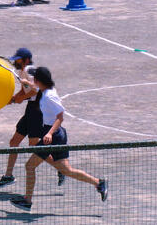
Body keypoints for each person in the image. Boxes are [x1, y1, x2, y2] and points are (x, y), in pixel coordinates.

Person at [10, 67, 108, 212]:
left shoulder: (49, 96)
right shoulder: (46, 90)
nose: (33, 81)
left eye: (34, 79)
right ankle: (99, 183)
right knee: (67, 170)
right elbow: (34, 89)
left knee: (29, 166)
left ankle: (27, 201)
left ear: (38, 80)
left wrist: (49, 133)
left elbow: (60, 117)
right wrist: (26, 83)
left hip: (52, 136)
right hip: (57, 135)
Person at [0, 49, 65, 189]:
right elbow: (25, 90)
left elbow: (34, 90)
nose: (15, 62)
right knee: (14, 142)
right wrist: (14, 99)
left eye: (18, 59)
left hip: (37, 111)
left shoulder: (30, 70)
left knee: (34, 146)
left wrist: (19, 98)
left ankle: (61, 168)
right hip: (31, 110)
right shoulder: (24, 71)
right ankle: (8, 176)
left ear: (26, 60)